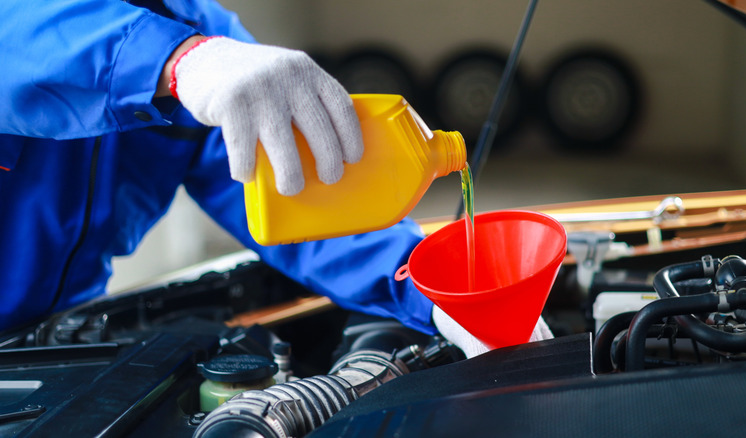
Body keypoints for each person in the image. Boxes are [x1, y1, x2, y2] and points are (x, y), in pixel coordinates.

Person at [0, 0, 549, 357]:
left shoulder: (205, 32)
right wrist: (177, 62)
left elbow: (299, 201)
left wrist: (423, 290)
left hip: (51, 345)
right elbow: (24, 41)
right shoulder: (197, 53)